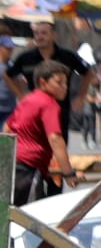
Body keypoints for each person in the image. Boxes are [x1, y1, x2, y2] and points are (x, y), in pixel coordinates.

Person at [6, 20, 95, 144]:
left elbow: (88, 73)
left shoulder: (67, 56)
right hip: (34, 113)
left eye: (44, 33)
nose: (39, 37)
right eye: (36, 33)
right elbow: (7, 75)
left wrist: (81, 96)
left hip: (60, 112)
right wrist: (20, 95)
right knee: (36, 150)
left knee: (58, 147)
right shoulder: (25, 58)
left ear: (53, 35)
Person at [6, 59, 81, 205]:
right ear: (43, 82)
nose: (64, 87)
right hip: (28, 169)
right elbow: (55, 139)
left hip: (11, 164)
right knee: (26, 217)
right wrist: (68, 173)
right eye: (59, 83)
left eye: (66, 83)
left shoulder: (28, 100)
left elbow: (7, 128)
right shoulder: (49, 104)